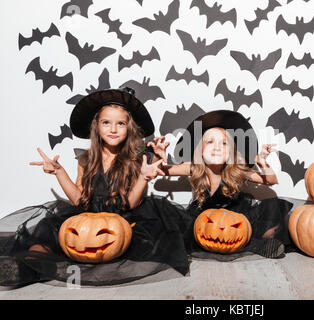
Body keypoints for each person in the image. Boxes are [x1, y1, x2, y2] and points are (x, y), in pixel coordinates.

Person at [0, 88, 191, 286]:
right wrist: (59, 171)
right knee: (48, 234)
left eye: (121, 124)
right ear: (96, 126)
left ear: (130, 128)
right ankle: (28, 267)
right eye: (106, 122)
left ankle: (50, 265)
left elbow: (132, 203)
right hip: (89, 217)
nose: (113, 129)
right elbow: (78, 200)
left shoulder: (136, 160)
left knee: (143, 242)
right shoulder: (86, 159)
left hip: (125, 218)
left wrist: (143, 177)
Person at [153, 110, 294, 260]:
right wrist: (158, 156)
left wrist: (262, 161)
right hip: (204, 219)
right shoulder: (193, 167)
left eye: (224, 143)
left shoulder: (236, 171)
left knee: (271, 208)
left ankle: (255, 245)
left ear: (231, 152)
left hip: (236, 218)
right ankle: (248, 245)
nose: (217, 147)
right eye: (210, 142)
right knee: (172, 221)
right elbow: (159, 171)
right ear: (200, 149)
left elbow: (271, 180)